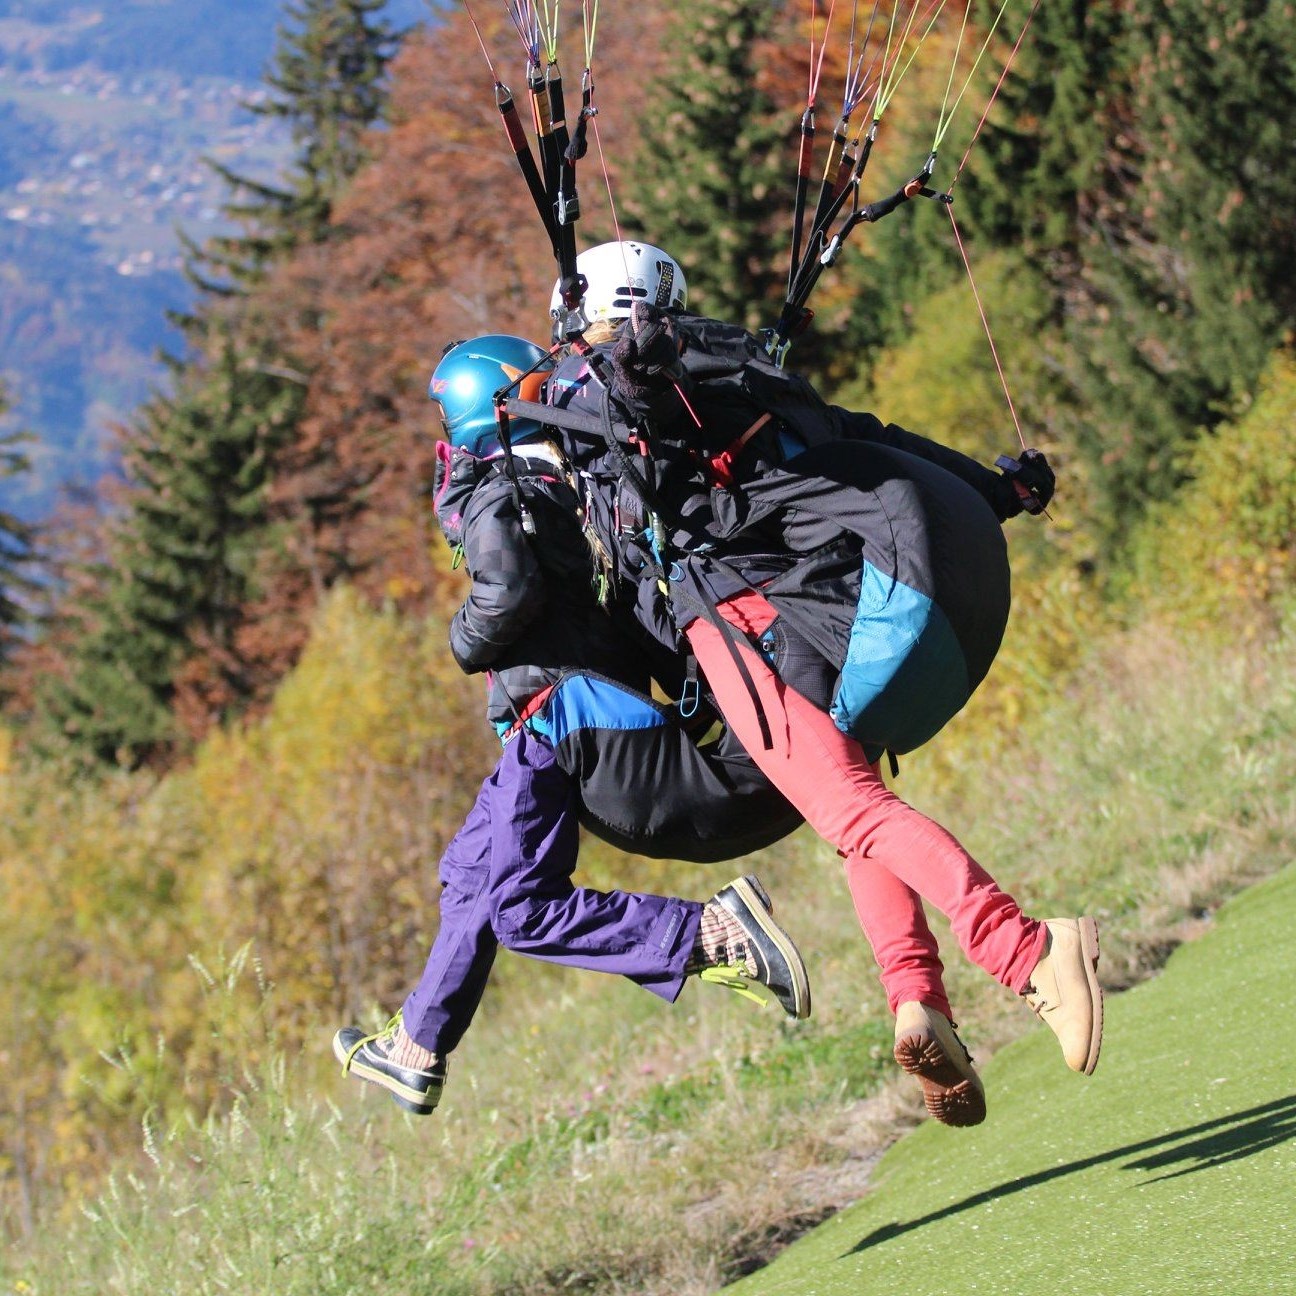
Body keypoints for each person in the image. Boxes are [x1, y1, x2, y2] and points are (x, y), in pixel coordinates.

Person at [528, 242, 1102, 1126]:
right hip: (820, 600)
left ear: (592, 315)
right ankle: (916, 998)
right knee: (858, 807)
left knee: (850, 811)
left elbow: (620, 404)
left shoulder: (613, 382)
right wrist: (992, 490)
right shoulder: (729, 365)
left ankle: (1026, 950)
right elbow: (866, 436)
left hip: (743, 624)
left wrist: (628, 372)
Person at [333, 334, 809, 1117]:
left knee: (519, 908)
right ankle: (416, 1045)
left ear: (466, 413)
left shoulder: (497, 490)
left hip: (554, 716)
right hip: (573, 706)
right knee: (470, 872)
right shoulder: (567, 482)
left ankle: (711, 934)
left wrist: (462, 641)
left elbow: (506, 594)